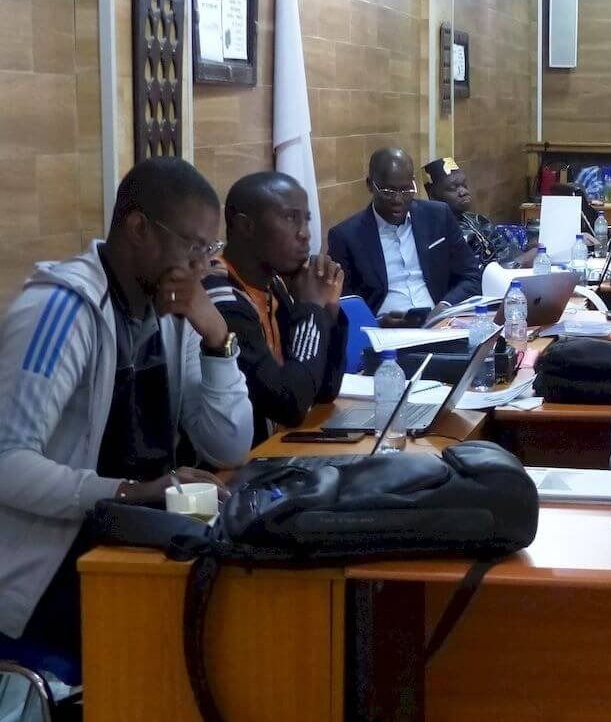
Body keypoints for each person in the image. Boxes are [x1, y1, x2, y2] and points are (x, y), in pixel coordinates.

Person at [0, 157, 254, 683]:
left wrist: (216, 337)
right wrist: (129, 492)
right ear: (139, 228)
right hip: (47, 577)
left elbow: (229, 445)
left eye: (210, 249)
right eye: (194, 247)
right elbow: (7, 461)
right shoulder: (62, 310)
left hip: (132, 544)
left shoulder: (175, 311)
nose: (204, 265)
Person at [204, 172, 349, 446]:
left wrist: (328, 311)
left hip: (280, 449)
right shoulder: (222, 299)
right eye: (290, 218)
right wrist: (311, 309)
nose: (305, 234)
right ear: (246, 226)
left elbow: (324, 390)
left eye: (306, 219)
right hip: (241, 462)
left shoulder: (275, 283)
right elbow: (289, 405)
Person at [327, 148, 481, 321]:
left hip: (440, 322)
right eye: (388, 192)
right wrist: (378, 323)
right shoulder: (346, 237)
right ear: (370, 185)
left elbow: (471, 276)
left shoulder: (438, 216)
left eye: (406, 190)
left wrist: (445, 306)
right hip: (383, 331)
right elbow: (344, 305)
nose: (398, 200)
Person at [424, 157, 535, 269]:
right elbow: (474, 272)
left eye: (464, 185)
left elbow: (503, 250)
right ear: (433, 195)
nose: (463, 192)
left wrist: (528, 248)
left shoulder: (476, 219)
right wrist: (522, 262)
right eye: (453, 188)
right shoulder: (439, 233)